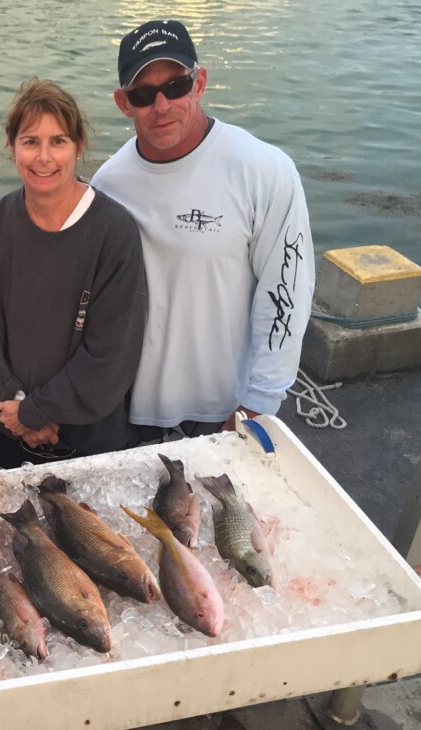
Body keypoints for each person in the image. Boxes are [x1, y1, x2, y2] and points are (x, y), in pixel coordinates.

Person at [91, 19, 316, 442]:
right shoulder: (108, 183)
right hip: (124, 408)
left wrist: (259, 403)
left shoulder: (265, 170)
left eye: (175, 86)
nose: (162, 105)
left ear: (200, 82)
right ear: (124, 103)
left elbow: (286, 292)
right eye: (143, 94)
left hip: (225, 410)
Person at [0, 79, 147, 471]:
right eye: (30, 141)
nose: (44, 157)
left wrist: (35, 411)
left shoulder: (115, 232)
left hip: (90, 438)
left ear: (79, 146)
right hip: (5, 427)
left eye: (58, 141)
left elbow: (111, 351)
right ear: (12, 148)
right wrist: (19, 410)